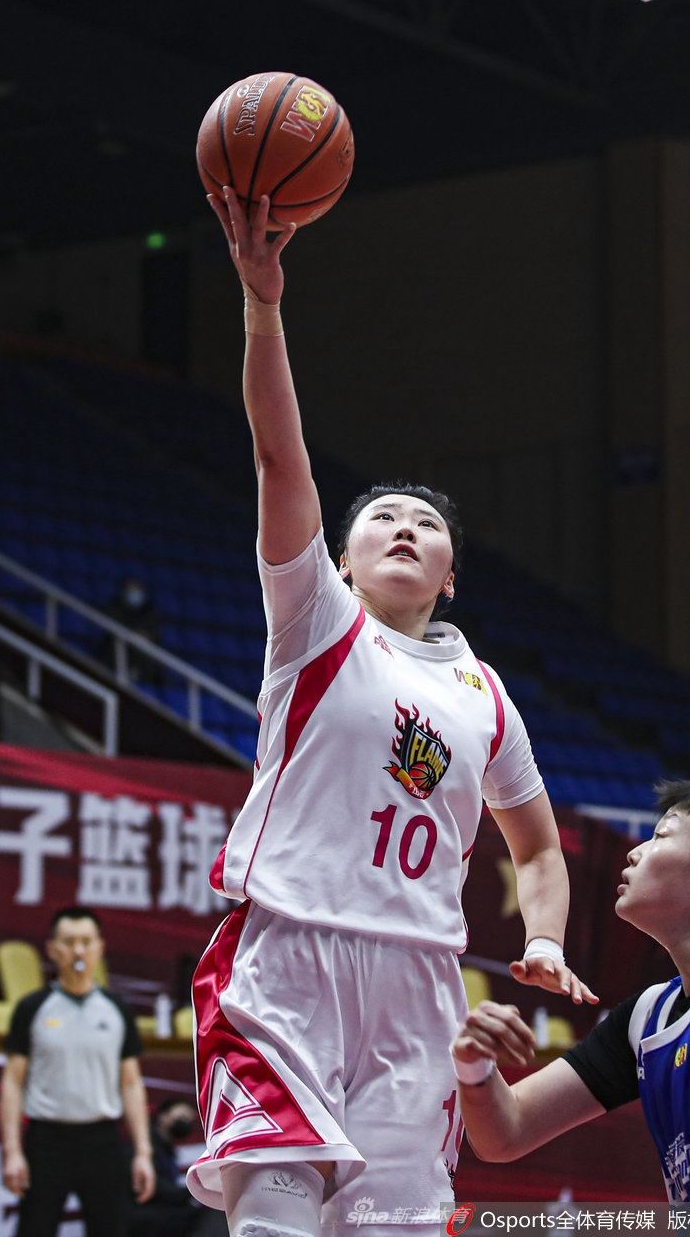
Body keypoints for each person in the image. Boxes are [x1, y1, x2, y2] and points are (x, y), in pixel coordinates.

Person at [186, 186, 597, 1237]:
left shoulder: (484, 694)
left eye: (425, 523)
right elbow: (279, 455)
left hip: (420, 984)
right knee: (275, 1218)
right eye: (381, 518)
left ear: (451, 574)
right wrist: (263, 304)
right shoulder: (317, 623)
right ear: (338, 560)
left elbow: (536, 848)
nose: (404, 526)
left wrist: (544, 939)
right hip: (289, 956)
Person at [452, 780, 690, 1207]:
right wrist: (475, 1064)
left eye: (660, 836)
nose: (635, 852)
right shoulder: (646, 1019)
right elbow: (505, 1134)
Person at [0, 906, 156, 1236]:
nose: (79, 950)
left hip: (102, 1141)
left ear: (100, 947)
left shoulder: (117, 1010)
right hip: (46, 1141)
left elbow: (131, 1083)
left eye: (86, 941)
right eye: (69, 942)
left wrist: (143, 1152)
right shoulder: (32, 1008)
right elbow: (13, 1081)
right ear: (52, 949)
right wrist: (12, 1151)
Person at [128, 1098, 228, 1237]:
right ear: (163, 1116)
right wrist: (197, 1189)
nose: (185, 1123)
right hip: (143, 1214)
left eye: (189, 1120)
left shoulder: (168, 1150)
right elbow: (156, 1188)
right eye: (182, 1117)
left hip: (163, 1211)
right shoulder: (144, 1148)